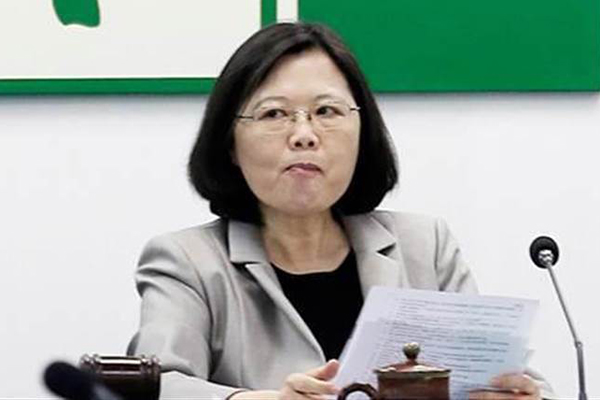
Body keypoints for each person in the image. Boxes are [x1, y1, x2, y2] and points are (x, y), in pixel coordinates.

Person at [128, 22, 546, 400]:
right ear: (230, 144)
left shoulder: (424, 247)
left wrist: (513, 395)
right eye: (274, 113)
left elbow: (504, 375)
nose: (304, 135)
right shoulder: (189, 262)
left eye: (326, 111)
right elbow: (154, 386)